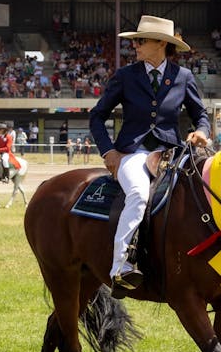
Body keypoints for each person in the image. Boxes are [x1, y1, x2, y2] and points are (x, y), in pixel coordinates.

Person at [89, 15, 211, 291]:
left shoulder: (183, 77)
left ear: (160, 44)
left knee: (209, 189)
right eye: (135, 41)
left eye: (140, 40)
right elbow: (97, 116)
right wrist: (108, 151)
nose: (135, 46)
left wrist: (202, 130)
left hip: (172, 151)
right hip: (132, 152)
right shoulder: (125, 76)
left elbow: (200, 115)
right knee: (139, 194)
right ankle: (121, 265)